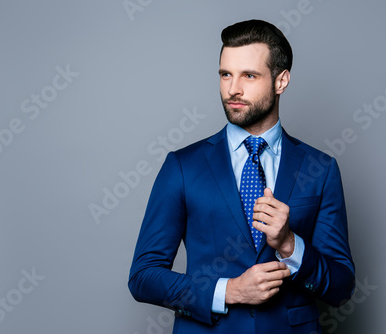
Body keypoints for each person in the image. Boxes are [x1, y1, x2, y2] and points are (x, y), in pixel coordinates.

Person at [128, 19, 355, 333]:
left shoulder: (321, 169)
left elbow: (342, 289)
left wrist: (290, 245)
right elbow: (143, 277)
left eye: (249, 75)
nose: (233, 89)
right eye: (225, 74)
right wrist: (228, 291)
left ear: (281, 81)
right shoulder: (182, 166)